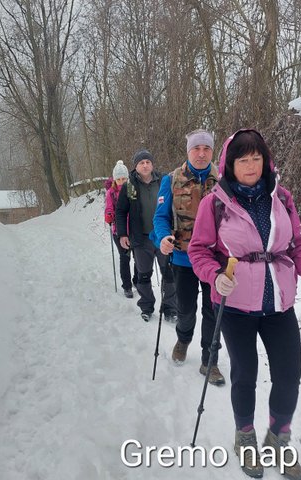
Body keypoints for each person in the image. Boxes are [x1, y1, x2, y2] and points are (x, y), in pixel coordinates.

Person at [187, 129, 301, 479]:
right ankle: (245, 437)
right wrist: (214, 275)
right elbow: (199, 250)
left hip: (278, 304)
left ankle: (278, 438)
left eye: (257, 158)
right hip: (235, 304)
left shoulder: (281, 197)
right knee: (245, 374)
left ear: (266, 161)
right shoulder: (215, 203)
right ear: (230, 165)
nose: (251, 166)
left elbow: (296, 244)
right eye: (243, 160)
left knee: (289, 375)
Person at [151, 129, 225, 386]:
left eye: (207, 148)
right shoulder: (171, 180)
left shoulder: (224, 180)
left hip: (215, 261)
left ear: (212, 151)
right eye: (196, 148)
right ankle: (183, 339)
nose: (201, 153)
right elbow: (160, 217)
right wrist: (163, 237)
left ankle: (210, 360)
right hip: (184, 259)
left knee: (213, 311)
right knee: (186, 310)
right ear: (188, 151)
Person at [115, 149, 177, 322]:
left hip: (163, 237)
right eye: (141, 163)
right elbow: (121, 211)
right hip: (141, 238)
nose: (145, 165)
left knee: (170, 274)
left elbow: (175, 205)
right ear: (135, 166)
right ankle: (147, 307)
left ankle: (170, 308)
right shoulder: (129, 185)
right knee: (143, 275)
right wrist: (123, 234)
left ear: (152, 164)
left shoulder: (164, 181)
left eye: (148, 162)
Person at [104, 160, 137, 298]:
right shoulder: (111, 193)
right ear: (114, 180)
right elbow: (108, 208)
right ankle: (127, 286)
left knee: (138, 257)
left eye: (124, 179)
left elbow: (136, 205)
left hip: (134, 229)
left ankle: (137, 280)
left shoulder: (131, 189)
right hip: (119, 231)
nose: (121, 182)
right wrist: (109, 215)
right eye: (118, 179)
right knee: (125, 257)